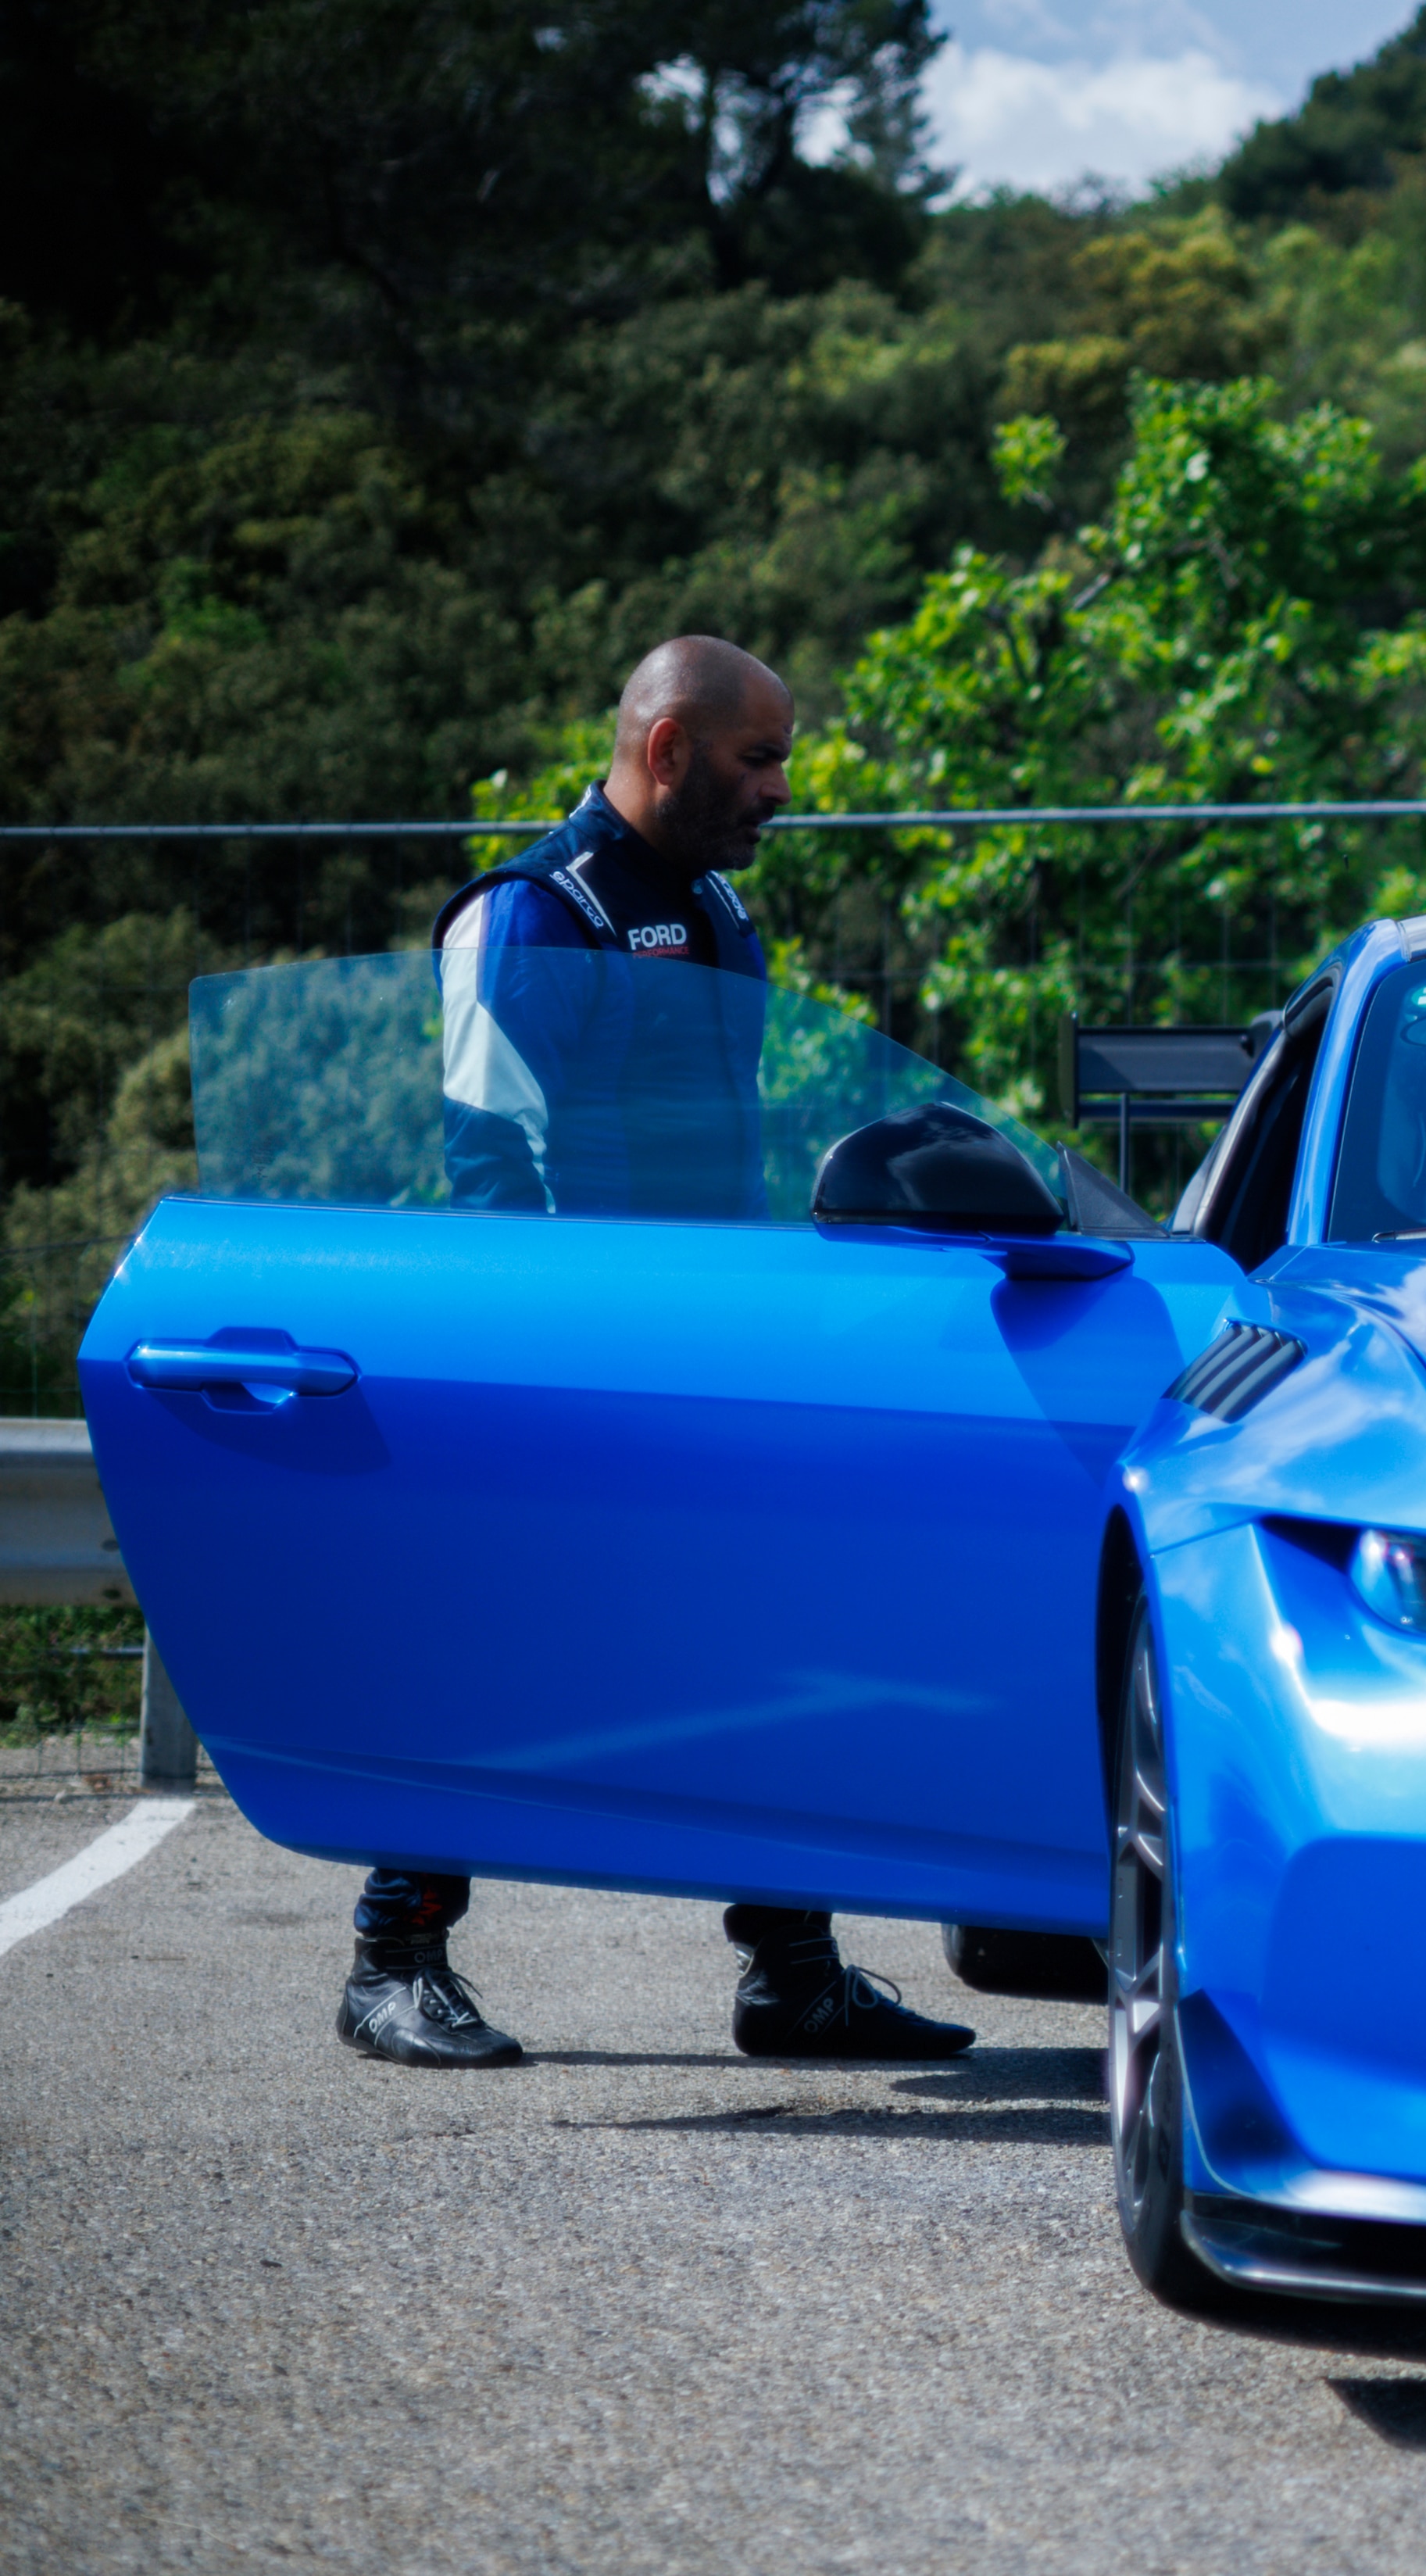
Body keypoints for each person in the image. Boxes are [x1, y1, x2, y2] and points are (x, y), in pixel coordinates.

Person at [337, 635, 976, 2072]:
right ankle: (390, 1958)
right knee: (502, 1647)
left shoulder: (719, 908)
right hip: (574, 1368)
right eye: (760, 759)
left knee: (778, 1635)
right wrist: (561, 1369)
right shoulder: (527, 914)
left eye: (788, 761)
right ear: (670, 748)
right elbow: (490, 1163)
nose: (782, 789)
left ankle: (793, 1977)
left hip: (718, 1352)